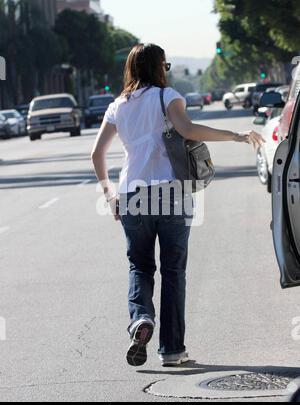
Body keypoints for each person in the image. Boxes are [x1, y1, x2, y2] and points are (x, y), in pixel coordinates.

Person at [91, 43, 265, 367]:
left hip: (132, 195)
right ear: (160, 67)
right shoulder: (167, 97)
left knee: (139, 266)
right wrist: (235, 135)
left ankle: (141, 319)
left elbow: (97, 154)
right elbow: (186, 129)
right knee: (173, 272)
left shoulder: (118, 106)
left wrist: (109, 195)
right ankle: (172, 351)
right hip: (170, 192)